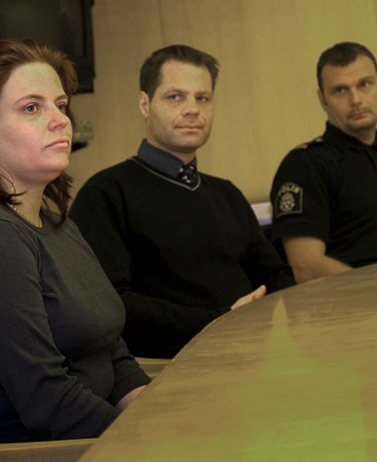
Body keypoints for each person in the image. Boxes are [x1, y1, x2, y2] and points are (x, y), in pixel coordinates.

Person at [0, 39, 150, 443]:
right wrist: (151, 442)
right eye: (32, 108)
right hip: (49, 451)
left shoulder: (55, 221)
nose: (60, 120)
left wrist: (159, 416)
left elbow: (111, 351)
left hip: (102, 436)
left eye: (60, 105)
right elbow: (46, 401)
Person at [69, 45, 295, 359]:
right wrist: (220, 320)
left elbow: (276, 277)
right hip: (167, 369)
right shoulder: (106, 193)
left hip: (254, 354)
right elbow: (111, 304)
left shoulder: (226, 193)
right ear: (144, 104)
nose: (192, 109)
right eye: (175, 97)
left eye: (202, 98)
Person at [269, 42, 377, 282]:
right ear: (323, 99)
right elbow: (307, 267)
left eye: (364, 85)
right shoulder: (304, 165)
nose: (356, 100)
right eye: (340, 90)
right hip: (351, 308)